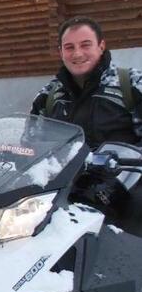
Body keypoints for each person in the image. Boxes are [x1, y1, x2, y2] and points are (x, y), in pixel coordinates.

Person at [31, 16, 142, 232]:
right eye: (69, 47)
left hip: (125, 196)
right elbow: (30, 144)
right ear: (61, 52)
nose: (77, 53)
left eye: (85, 45)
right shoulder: (49, 95)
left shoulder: (132, 85)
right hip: (62, 196)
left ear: (101, 45)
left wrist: (118, 165)